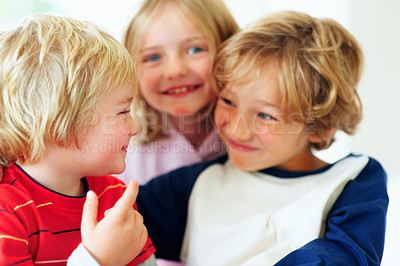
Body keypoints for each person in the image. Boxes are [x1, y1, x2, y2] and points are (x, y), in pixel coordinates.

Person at [132, 11, 388, 264]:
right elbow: (114, 214)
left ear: (321, 126)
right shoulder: (200, 181)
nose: (237, 129)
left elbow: (345, 257)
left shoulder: (353, 181)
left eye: (266, 116)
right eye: (228, 101)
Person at [0, 13, 155, 265]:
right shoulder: (7, 213)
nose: (135, 127)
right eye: (123, 112)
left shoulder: (114, 195)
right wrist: (98, 259)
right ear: (59, 123)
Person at [117, 0, 239, 185]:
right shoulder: (123, 152)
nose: (174, 71)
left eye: (194, 49)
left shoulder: (252, 133)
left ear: (231, 51)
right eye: (153, 57)